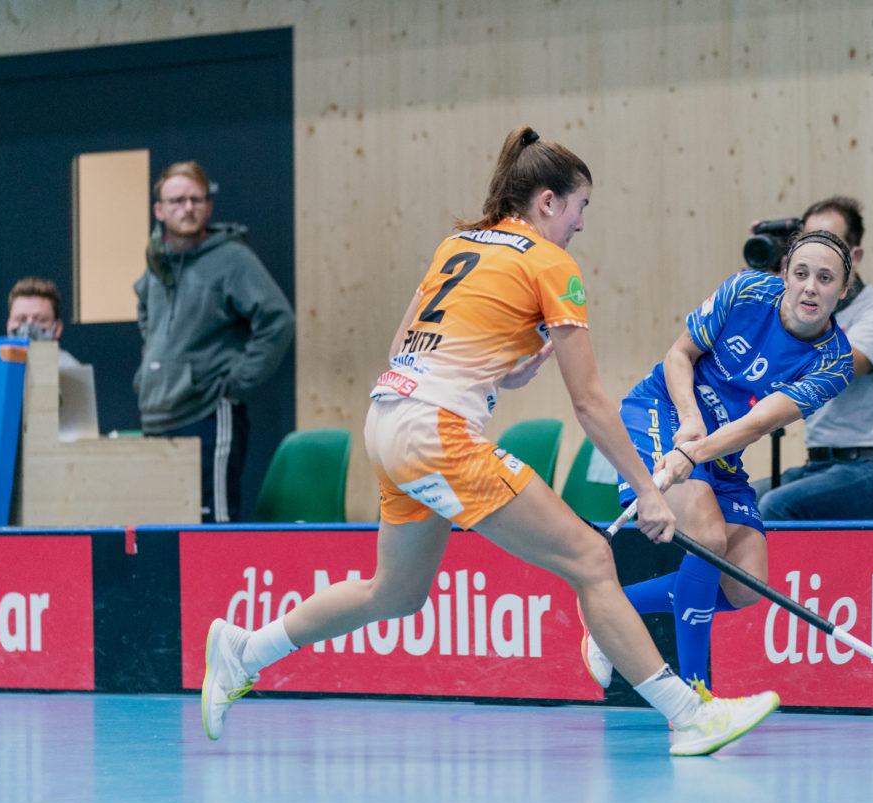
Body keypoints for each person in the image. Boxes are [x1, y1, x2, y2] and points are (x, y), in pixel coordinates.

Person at [200, 127, 779, 757]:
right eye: (581, 206)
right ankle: (690, 716)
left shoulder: (458, 243)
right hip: (436, 434)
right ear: (549, 201)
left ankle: (243, 651)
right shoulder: (552, 263)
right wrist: (647, 491)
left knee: (394, 591)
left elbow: (402, 348)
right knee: (591, 560)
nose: (581, 224)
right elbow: (588, 401)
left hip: (387, 421)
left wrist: (501, 373)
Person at [581, 229, 855, 692]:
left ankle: (610, 614)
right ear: (785, 271)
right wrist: (689, 422)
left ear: (843, 290)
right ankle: (694, 698)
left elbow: (758, 423)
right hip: (663, 410)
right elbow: (679, 354)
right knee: (707, 539)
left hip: (719, 447)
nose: (811, 287)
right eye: (802, 273)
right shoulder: (746, 291)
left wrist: (698, 449)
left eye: (826, 279)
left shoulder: (834, 361)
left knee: (745, 584)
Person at [133, 161, 294, 523]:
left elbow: (277, 319)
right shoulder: (156, 263)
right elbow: (146, 311)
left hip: (207, 413)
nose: (187, 208)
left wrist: (236, 381)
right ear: (159, 210)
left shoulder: (232, 258)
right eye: (177, 200)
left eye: (196, 199)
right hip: (158, 413)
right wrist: (152, 369)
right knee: (164, 526)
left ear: (208, 206)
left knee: (212, 528)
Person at [754, 197, 873, 521]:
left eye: (830, 244)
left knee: (776, 506)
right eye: (808, 244)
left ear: (854, 257)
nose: (818, 253)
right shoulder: (801, 313)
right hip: (819, 465)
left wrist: (792, 311)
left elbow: (836, 369)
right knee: (735, 503)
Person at [6, 276, 81, 367]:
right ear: (8, 325)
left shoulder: (71, 371)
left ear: (57, 328)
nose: (28, 327)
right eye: (21, 319)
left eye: (40, 320)